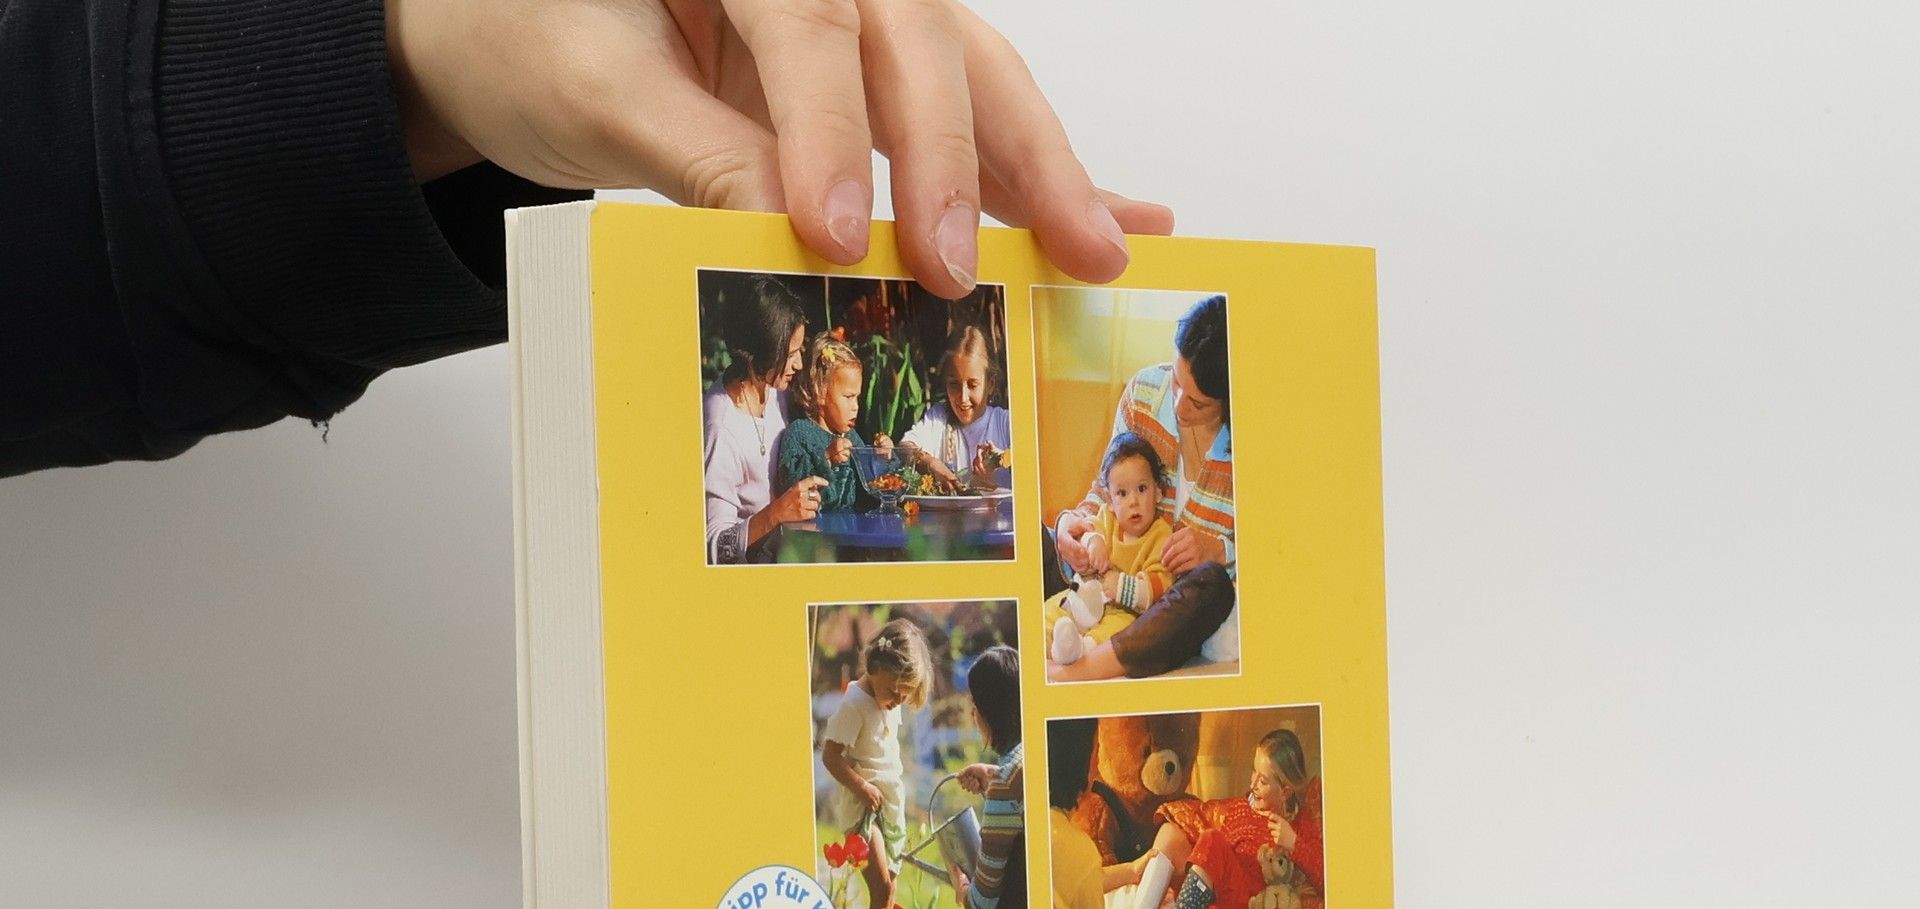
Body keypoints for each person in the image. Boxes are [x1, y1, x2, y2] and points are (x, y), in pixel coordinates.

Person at [1, 0, 1173, 477]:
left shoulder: (938, 433)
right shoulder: (787, 435)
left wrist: (395, 77)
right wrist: (380, 63)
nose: (963, 399)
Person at [1050, 296, 1235, 679]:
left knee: (1213, 587)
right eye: (1177, 381)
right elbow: (1104, 494)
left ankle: (1082, 669)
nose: (1179, 405)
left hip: (1172, 603)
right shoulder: (1145, 394)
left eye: (1198, 403)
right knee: (1034, 534)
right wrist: (1072, 525)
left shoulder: (1252, 440)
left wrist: (1222, 550)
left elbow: (1281, 548)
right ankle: (1073, 639)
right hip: (1104, 579)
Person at [1126, 728, 1326, 909]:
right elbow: (1210, 853)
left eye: (1262, 781)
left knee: (1212, 839)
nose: (1253, 784)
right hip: (1212, 907)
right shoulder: (1241, 807)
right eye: (1253, 771)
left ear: (1286, 790)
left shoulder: (1300, 823)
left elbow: (1329, 882)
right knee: (1171, 832)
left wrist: (1293, 843)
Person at [819, 620, 933, 909]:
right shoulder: (855, 705)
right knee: (881, 888)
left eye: (905, 695)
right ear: (874, 667)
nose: (898, 701)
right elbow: (830, 756)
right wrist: (861, 787)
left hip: (887, 804)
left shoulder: (888, 700)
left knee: (889, 892)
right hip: (862, 808)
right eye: (893, 692)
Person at [704, 276, 828, 563]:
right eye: (790, 354)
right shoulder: (722, 426)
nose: (799, 364)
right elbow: (715, 546)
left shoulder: (773, 388)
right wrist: (777, 512)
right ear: (762, 351)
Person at [1046, 716, 1162, 909]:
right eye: (1096, 751)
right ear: (1081, 761)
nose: (1097, 764)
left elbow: (1073, 882)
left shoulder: (1045, 826)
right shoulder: (1075, 846)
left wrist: (1131, 871)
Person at [1047, 433, 1174, 666]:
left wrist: (1122, 586)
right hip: (1084, 595)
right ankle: (1049, 641)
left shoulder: (1161, 535)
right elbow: (1088, 529)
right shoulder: (1107, 518)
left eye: (1142, 489)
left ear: (1157, 492)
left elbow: (1160, 586)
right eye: (1122, 494)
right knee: (1053, 608)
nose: (1133, 501)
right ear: (1110, 500)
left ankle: (1080, 650)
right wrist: (1093, 541)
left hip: (1124, 611)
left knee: (1120, 631)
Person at [948, 645, 1029, 909]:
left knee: (1010, 861)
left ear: (983, 714)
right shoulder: (1032, 755)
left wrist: (961, 885)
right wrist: (994, 775)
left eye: (974, 705)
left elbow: (982, 908)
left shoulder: (1005, 784)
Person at [775, 337, 894, 515]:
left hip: (850, 528)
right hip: (813, 530)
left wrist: (882, 459)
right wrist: (826, 458)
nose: (856, 406)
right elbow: (790, 484)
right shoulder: (799, 433)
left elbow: (869, 492)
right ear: (820, 392)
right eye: (848, 397)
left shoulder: (852, 436)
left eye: (857, 397)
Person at [900, 323, 1013, 492]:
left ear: (990, 384)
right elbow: (903, 448)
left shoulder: (1004, 423)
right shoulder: (939, 418)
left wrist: (1002, 458)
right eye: (954, 384)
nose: (963, 398)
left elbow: (1035, 459)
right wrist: (931, 464)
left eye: (972, 385)